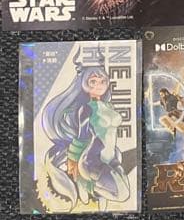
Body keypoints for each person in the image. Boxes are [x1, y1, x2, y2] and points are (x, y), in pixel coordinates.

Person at [40, 59, 130, 211]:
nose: (98, 85)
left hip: (109, 158)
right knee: (122, 194)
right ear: (85, 84)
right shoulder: (86, 109)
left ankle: (91, 189)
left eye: (102, 81)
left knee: (122, 194)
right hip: (92, 160)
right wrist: (72, 159)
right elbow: (82, 136)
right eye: (93, 81)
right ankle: (90, 187)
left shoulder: (107, 105)